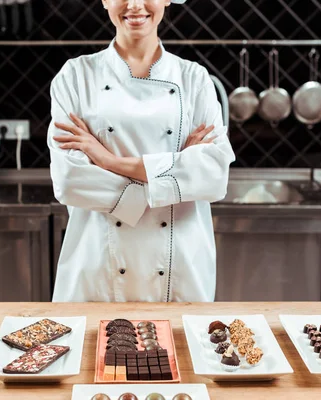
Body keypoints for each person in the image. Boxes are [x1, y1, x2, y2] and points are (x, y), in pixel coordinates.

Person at [47, 0, 236, 302]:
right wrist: (175, 176)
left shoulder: (194, 78)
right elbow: (70, 181)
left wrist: (107, 160)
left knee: (181, 347)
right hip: (98, 266)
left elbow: (213, 174)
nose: (135, 5)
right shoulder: (76, 77)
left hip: (181, 265)